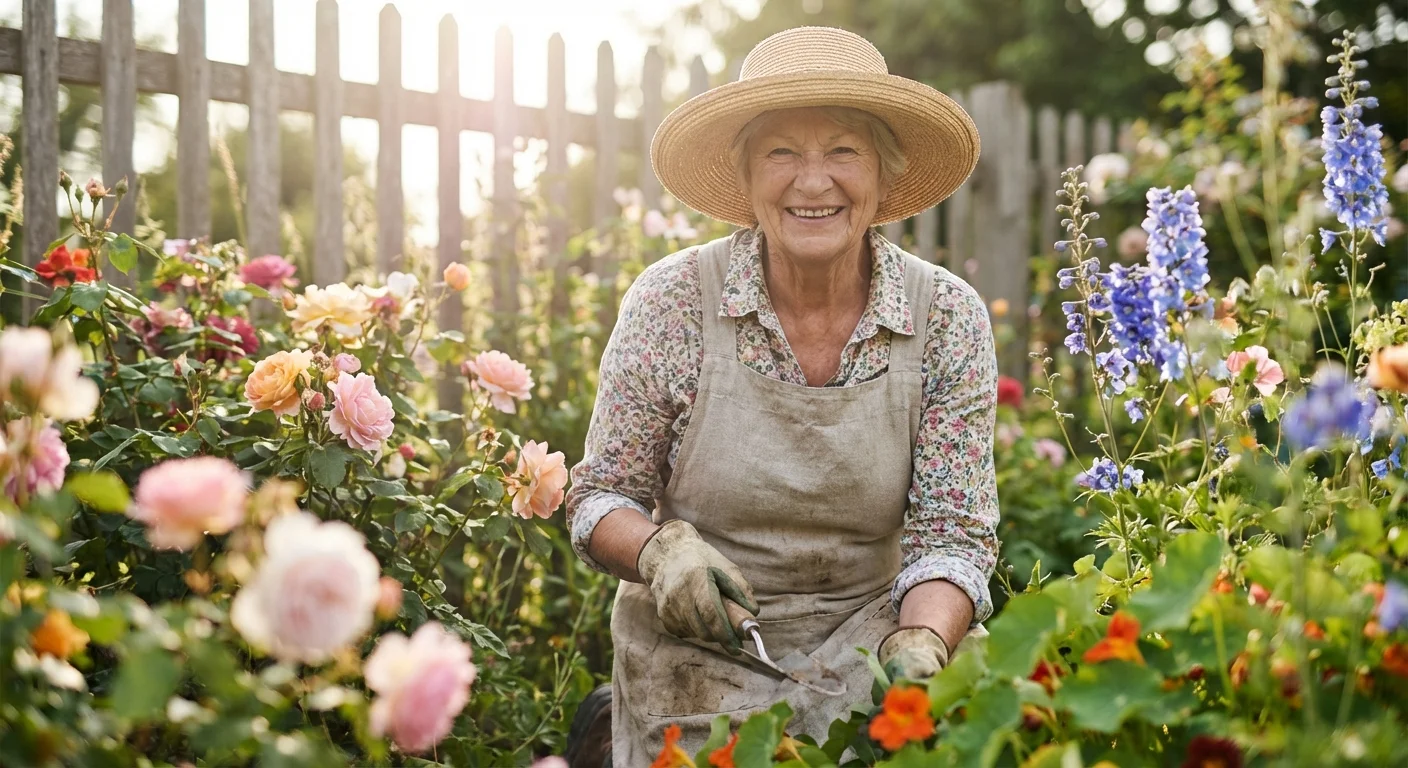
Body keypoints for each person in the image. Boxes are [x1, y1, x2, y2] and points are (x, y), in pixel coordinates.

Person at [563, 26, 998, 767]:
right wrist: (662, 553)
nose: (813, 181)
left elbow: (952, 535)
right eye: (782, 152)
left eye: (843, 151)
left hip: (876, 633)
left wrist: (921, 639)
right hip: (701, 648)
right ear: (746, 177)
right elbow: (600, 495)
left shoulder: (946, 317)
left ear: (885, 177)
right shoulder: (674, 302)